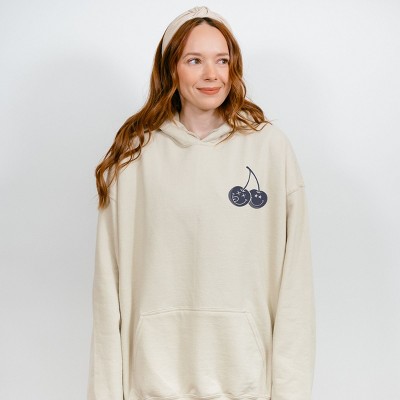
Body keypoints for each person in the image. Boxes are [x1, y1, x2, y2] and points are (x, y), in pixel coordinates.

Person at [87, 6, 316, 400]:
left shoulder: (269, 149)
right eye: (195, 60)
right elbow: (107, 289)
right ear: (171, 69)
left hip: (245, 384)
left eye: (222, 60)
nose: (212, 74)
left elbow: (296, 286)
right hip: (151, 385)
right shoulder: (134, 155)